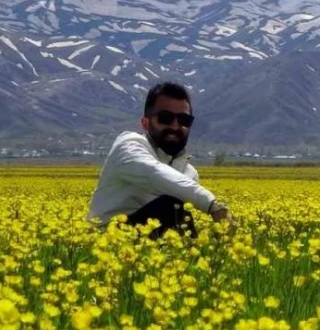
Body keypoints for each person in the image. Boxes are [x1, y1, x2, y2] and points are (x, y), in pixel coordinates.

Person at [88, 81, 231, 239]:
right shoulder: (128, 145)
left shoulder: (189, 173)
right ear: (145, 123)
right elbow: (154, 173)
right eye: (166, 118)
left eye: (184, 120)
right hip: (104, 242)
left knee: (177, 212)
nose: (175, 126)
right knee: (170, 207)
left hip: (150, 248)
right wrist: (213, 205)